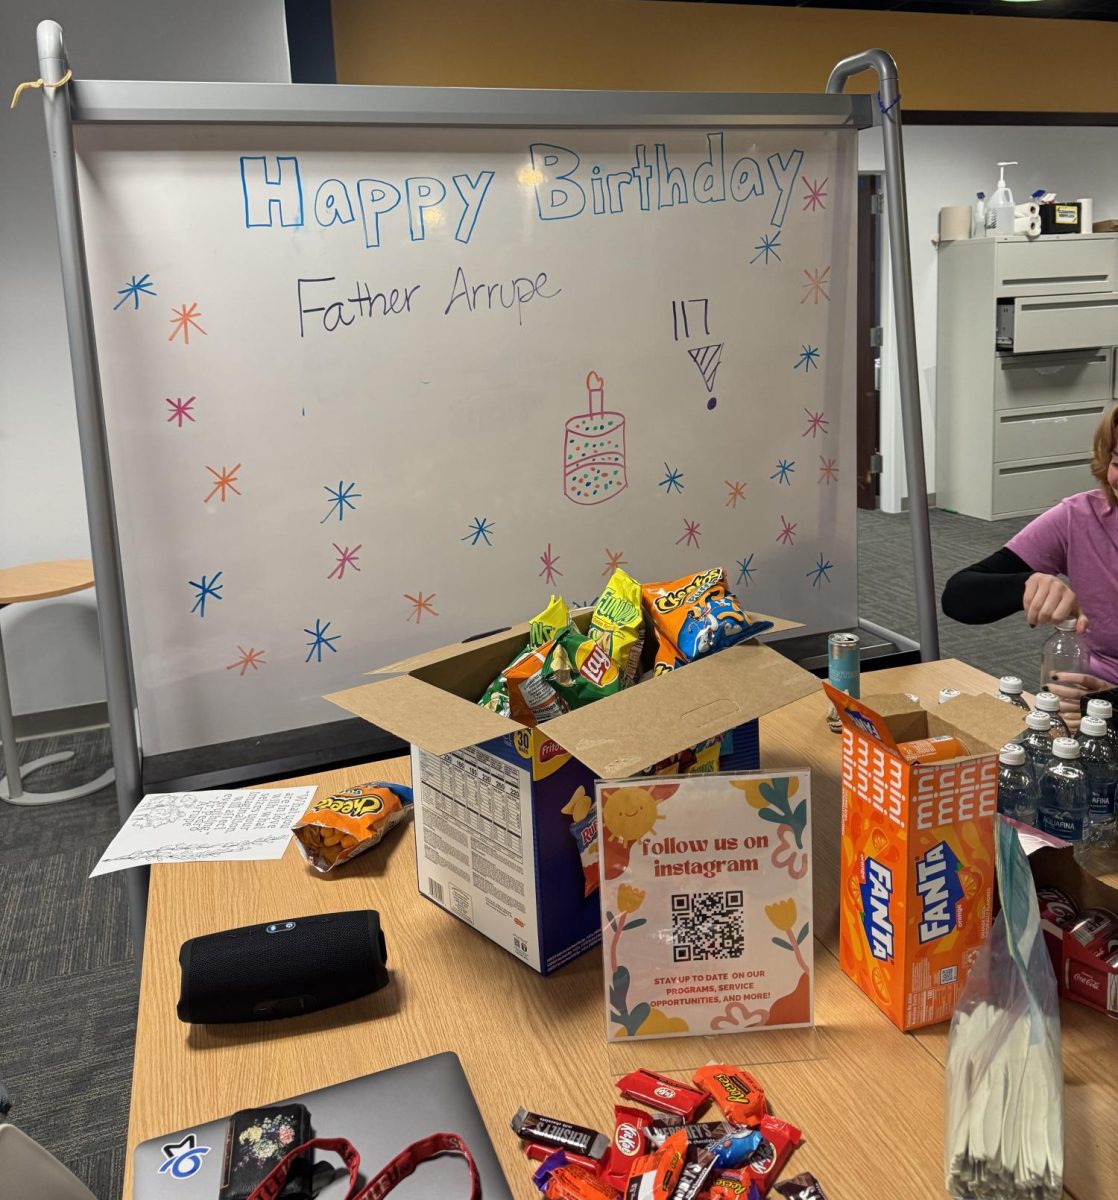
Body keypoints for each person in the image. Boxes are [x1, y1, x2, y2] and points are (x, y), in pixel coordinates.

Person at [942, 405, 1118, 730]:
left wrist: (1110, 702)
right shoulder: (1080, 517)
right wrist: (1029, 584)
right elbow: (959, 597)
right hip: (1087, 714)